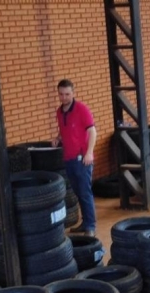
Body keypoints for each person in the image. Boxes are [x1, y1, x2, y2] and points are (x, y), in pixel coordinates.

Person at [52, 79, 97, 237]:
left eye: (67, 94)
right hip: (68, 158)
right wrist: (58, 138)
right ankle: (85, 223)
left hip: (82, 159)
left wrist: (89, 153)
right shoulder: (59, 111)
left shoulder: (82, 109)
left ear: (73, 93)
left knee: (85, 192)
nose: (64, 97)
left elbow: (92, 131)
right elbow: (65, 130)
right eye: (61, 94)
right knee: (78, 192)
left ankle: (90, 226)